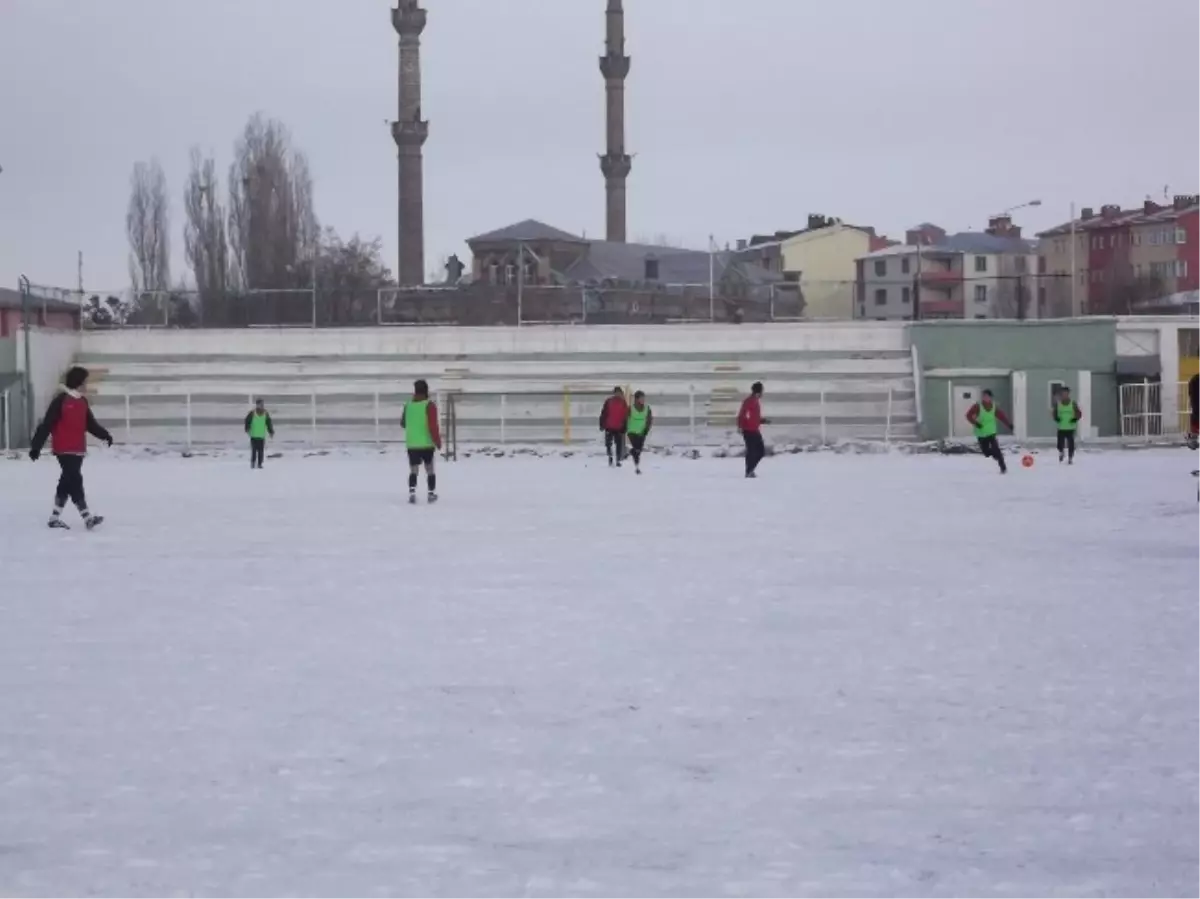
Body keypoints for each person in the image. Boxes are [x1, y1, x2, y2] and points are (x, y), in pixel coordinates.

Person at [28, 365, 113, 529]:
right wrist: (36, 447)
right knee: (75, 479)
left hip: (78, 448)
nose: (86, 385)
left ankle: (55, 517)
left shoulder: (82, 401)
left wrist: (105, 435)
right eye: (85, 381)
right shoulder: (61, 400)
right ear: (78, 382)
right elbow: (47, 424)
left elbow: (90, 424)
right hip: (63, 448)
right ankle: (87, 517)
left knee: (68, 481)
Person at [401, 379, 442, 503]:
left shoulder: (408, 405)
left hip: (412, 444)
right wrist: (437, 441)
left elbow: (403, 424)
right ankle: (431, 494)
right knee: (430, 470)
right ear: (426, 391)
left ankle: (412, 492)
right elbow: (432, 426)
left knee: (414, 469)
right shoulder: (429, 405)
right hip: (426, 444)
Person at [965, 389, 1014, 473]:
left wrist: (1009, 424)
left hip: (991, 432)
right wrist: (976, 423)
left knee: (996, 449)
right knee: (986, 453)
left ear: (990, 398)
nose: (985, 398)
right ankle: (996, 455)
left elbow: (1001, 416)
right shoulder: (977, 406)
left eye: (987, 396)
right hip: (981, 433)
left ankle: (1003, 468)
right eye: (984, 396)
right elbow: (968, 415)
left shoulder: (994, 407)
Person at [737, 381, 768, 478]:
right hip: (748, 430)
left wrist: (762, 420)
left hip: (754, 429)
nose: (763, 393)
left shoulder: (755, 401)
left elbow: (753, 416)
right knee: (752, 451)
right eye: (762, 390)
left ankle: (750, 469)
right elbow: (742, 414)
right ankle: (749, 471)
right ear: (759, 391)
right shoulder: (749, 401)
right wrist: (740, 426)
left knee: (760, 451)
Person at [599, 386, 629, 467]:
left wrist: (625, 426)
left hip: (619, 427)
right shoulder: (609, 401)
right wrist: (602, 424)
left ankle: (618, 460)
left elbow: (626, 415)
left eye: (619, 393)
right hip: (609, 426)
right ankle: (610, 456)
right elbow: (604, 413)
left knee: (619, 445)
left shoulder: (623, 403)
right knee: (608, 444)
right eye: (616, 392)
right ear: (614, 393)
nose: (618, 394)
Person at [625, 390, 653, 474]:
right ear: (636, 399)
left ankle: (630, 452)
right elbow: (625, 418)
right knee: (637, 449)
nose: (643, 400)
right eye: (641, 398)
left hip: (642, 432)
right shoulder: (631, 408)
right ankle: (637, 467)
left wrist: (646, 430)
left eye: (644, 398)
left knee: (638, 450)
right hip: (632, 431)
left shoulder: (647, 408)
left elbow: (649, 420)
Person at [1052, 386, 1082, 464]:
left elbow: (1079, 413)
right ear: (1061, 394)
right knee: (1060, 444)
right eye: (1063, 393)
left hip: (1070, 427)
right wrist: (1056, 418)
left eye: (1066, 393)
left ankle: (1070, 458)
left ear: (1068, 394)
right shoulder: (1058, 404)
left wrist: (1075, 419)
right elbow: (1054, 413)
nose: (1064, 395)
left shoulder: (1073, 403)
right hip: (1061, 427)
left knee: (1071, 444)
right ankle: (1061, 452)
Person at [243, 398, 275, 469]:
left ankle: (260, 464)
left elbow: (268, 423)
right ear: (257, 405)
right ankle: (253, 463)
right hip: (254, 435)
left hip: (261, 436)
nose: (262, 405)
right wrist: (247, 428)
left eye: (262, 404)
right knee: (254, 451)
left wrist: (271, 431)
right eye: (260, 404)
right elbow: (247, 421)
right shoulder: (252, 413)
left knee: (261, 451)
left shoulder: (265, 413)